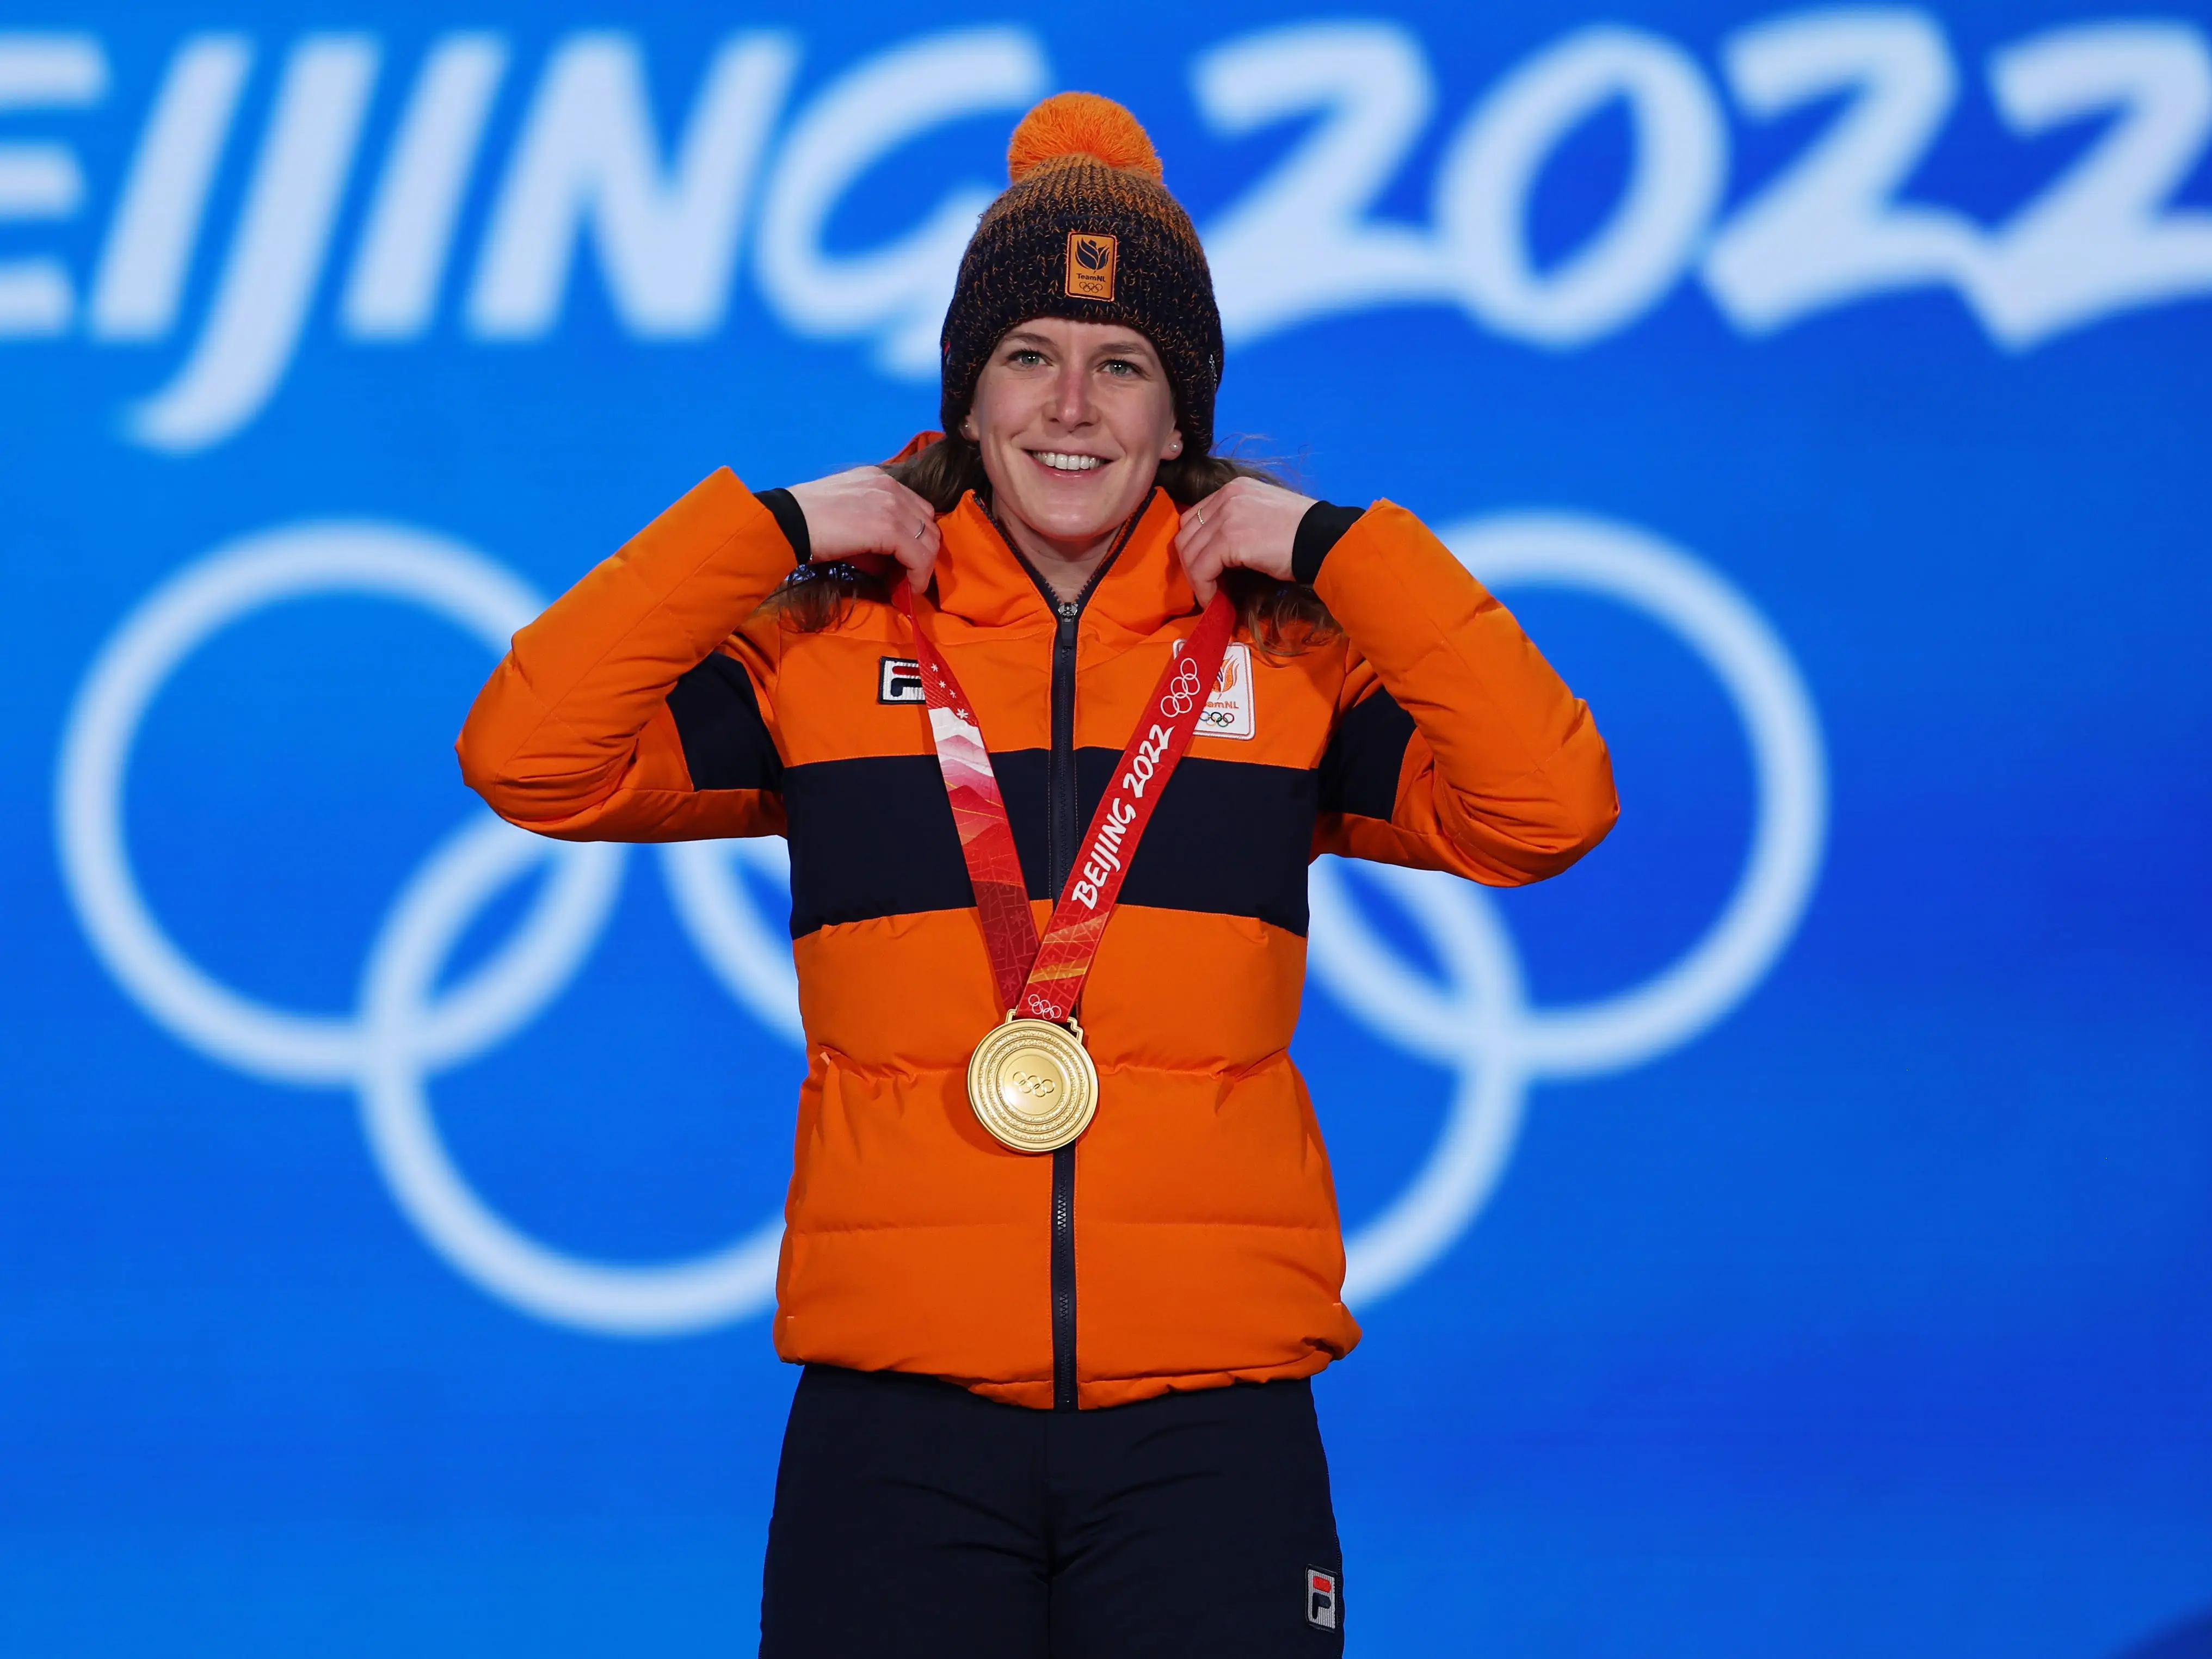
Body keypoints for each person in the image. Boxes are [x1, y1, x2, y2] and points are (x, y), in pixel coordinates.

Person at [459, 90, 1616, 1659]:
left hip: (1211, 1430)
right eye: (1028, 357)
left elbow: (1547, 807)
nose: (1072, 406)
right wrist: (774, 529)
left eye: (1123, 366)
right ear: (964, 394)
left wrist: (1348, 553)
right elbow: (529, 753)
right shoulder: (824, 642)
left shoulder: (1287, 663)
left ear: (1179, 412)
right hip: (900, 1435)